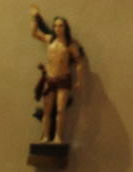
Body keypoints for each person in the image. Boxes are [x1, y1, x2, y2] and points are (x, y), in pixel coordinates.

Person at [30, 5, 86, 143]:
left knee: (60, 110)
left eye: (61, 26)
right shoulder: (50, 39)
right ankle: (45, 136)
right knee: (47, 110)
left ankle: (58, 136)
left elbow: (79, 62)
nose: (57, 28)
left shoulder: (70, 45)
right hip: (50, 79)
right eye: (55, 26)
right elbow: (34, 33)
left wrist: (79, 80)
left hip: (63, 79)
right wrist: (34, 16)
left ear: (65, 28)